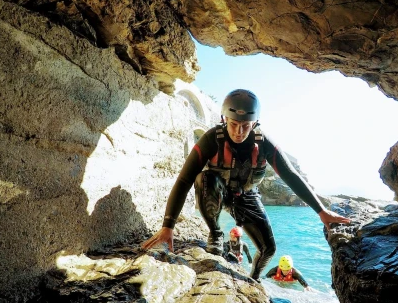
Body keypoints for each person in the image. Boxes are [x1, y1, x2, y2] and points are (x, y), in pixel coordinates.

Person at [141, 88, 351, 280]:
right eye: (233, 124)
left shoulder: (263, 142)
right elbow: (184, 180)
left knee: (268, 249)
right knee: (204, 178)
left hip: (247, 196)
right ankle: (215, 233)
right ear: (224, 119)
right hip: (216, 191)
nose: (239, 131)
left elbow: (290, 175)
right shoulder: (212, 138)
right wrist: (168, 226)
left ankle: (254, 280)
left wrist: (321, 211)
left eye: (245, 126)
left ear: (255, 124)